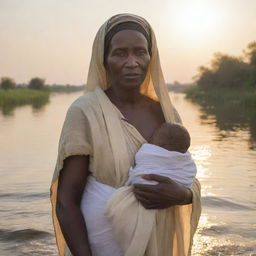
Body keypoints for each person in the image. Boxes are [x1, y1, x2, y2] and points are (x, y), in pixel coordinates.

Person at [50, 13, 201, 256]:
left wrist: (182, 195)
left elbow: (184, 172)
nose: (132, 62)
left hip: (158, 243)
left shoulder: (167, 113)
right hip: (101, 246)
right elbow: (67, 201)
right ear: (104, 60)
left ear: (151, 57)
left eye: (140, 52)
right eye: (120, 53)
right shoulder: (86, 112)